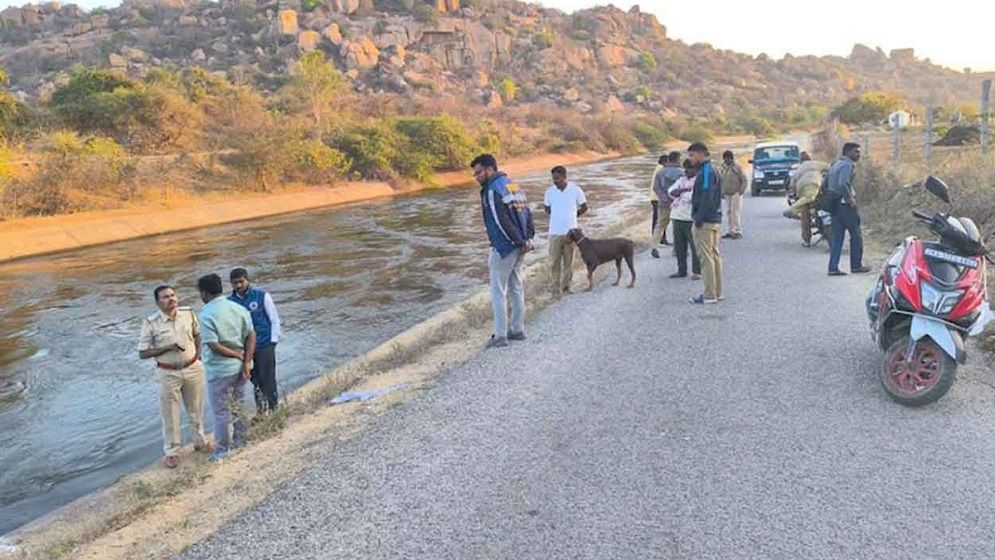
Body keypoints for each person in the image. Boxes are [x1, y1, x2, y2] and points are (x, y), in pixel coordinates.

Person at [138, 285, 212, 469]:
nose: (171, 299)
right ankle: (172, 452)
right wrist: (167, 348)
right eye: (165, 297)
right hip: (167, 372)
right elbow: (143, 353)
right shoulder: (151, 323)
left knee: (196, 407)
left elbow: (197, 335)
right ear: (157, 302)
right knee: (170, 413)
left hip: (193, 367)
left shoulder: (188, 314)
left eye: (173, 295)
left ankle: (200, 441)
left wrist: (198, 356)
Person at [471, 154, 535, 349]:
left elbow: (500, 221)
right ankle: (517, 329)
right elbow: (527, 212)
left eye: (479, 172)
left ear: (490, 169)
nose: (477, 177)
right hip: (520, 245)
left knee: (498, 291)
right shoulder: (513, 184)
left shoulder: (491, 189)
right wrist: (527, 239)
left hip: (504, 247)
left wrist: (517, 240)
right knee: (516, 287)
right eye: (475, 174)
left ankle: (500, 335)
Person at [197, 273, 255, 461]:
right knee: (238, 404)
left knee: (221, 411)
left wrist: (235, 354)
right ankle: (241, 440)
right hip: (240, 367)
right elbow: (251, 335)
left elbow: (213, 345)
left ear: (204, 293)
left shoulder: (206, 313)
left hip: (220, 369)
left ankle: (222, 449)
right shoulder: (237, 308)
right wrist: (245, 360)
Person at [229, 268, 282, 415]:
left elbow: (274, 319)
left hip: (264, 344)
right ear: (231, 284)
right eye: (235, 283)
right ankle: (261, 410)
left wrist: (273, 341)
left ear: (247, 280)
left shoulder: (262, 296)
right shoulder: (230, 303)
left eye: (241, 281)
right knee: (255, 379)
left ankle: (274, 409)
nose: (239, 285)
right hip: (245, 349)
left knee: (268, 379)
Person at [827, 143, 872, 276]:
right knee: (856, 235)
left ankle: (833, 267)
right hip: (845, 205)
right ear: (848, 152)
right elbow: (842, 184)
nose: (858, 155)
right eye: (856, 152)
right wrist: (850, 199)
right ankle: (856, 265)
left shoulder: (835, 164)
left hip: (834, 204)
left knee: (838, 237)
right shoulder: (847, 165)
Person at [543, 166, 589, 296]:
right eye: (553, 179)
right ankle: (555, 290)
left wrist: (574, 216)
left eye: (557, 179)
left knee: (568, 262)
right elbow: (546, 208)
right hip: (554, 233)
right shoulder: (549, 192)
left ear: (564, 177)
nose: (555, 181)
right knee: (553, 263)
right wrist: (557, 216)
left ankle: (566, 288)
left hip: (571, 233)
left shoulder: (576, 190)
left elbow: (585, 207)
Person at [688, 142, 723, 304]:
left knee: (706, 257)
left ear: (701, 154)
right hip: (714, 218)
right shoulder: (714, 169)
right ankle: (717, 292)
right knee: (714, 256)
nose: (691, 159)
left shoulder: (707, 171)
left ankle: (709, 294)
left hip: (706, 220)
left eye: (692, 155)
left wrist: (699, 217)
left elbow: (707, 195)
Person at [784, 151, 830, 247]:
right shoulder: (816, 164)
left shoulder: (799, 169)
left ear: (801, 161)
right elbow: (830, 167)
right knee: (817, 201)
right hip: (815, 186)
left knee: (805, 217)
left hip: (802, 189)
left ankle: (806, 240)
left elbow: (792, 183)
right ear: (810, 158)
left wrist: (792, 191)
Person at [667, 159, 701, 279]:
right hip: (677, 216)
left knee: (695, 246)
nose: (686, 171)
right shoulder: (681, 180)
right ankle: (682, 270)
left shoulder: (699, 181)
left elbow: (692, 197)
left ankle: (697, 271)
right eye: (685, 168)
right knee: (680, 247)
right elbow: (671, 191)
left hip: (691, 218)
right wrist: (684, 190)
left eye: (689, 168)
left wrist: (680, 192)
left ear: (696, 170)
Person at [651, 151, 684, 258]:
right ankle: (676, 250)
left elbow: (656, 188)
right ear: (678, 159)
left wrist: (664, 198)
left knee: (660, 224)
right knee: (677, 226)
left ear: (669, 159)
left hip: (663, 202)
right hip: (678, 203)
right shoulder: (682, 172)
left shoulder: (661, 172)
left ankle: (654, 246)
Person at [719, 150, 747, 239]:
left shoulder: (737, 168)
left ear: (731, 158)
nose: (726, 160)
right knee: (728, 212)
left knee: (735, 212)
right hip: (727, 194)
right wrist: (721, 192)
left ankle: (738, 231)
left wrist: (741, 191)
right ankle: (730, 231)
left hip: (736, 193)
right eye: (724, 158)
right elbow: (721, 181)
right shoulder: (723, 168)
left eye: (727, 158)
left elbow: (744, 180)